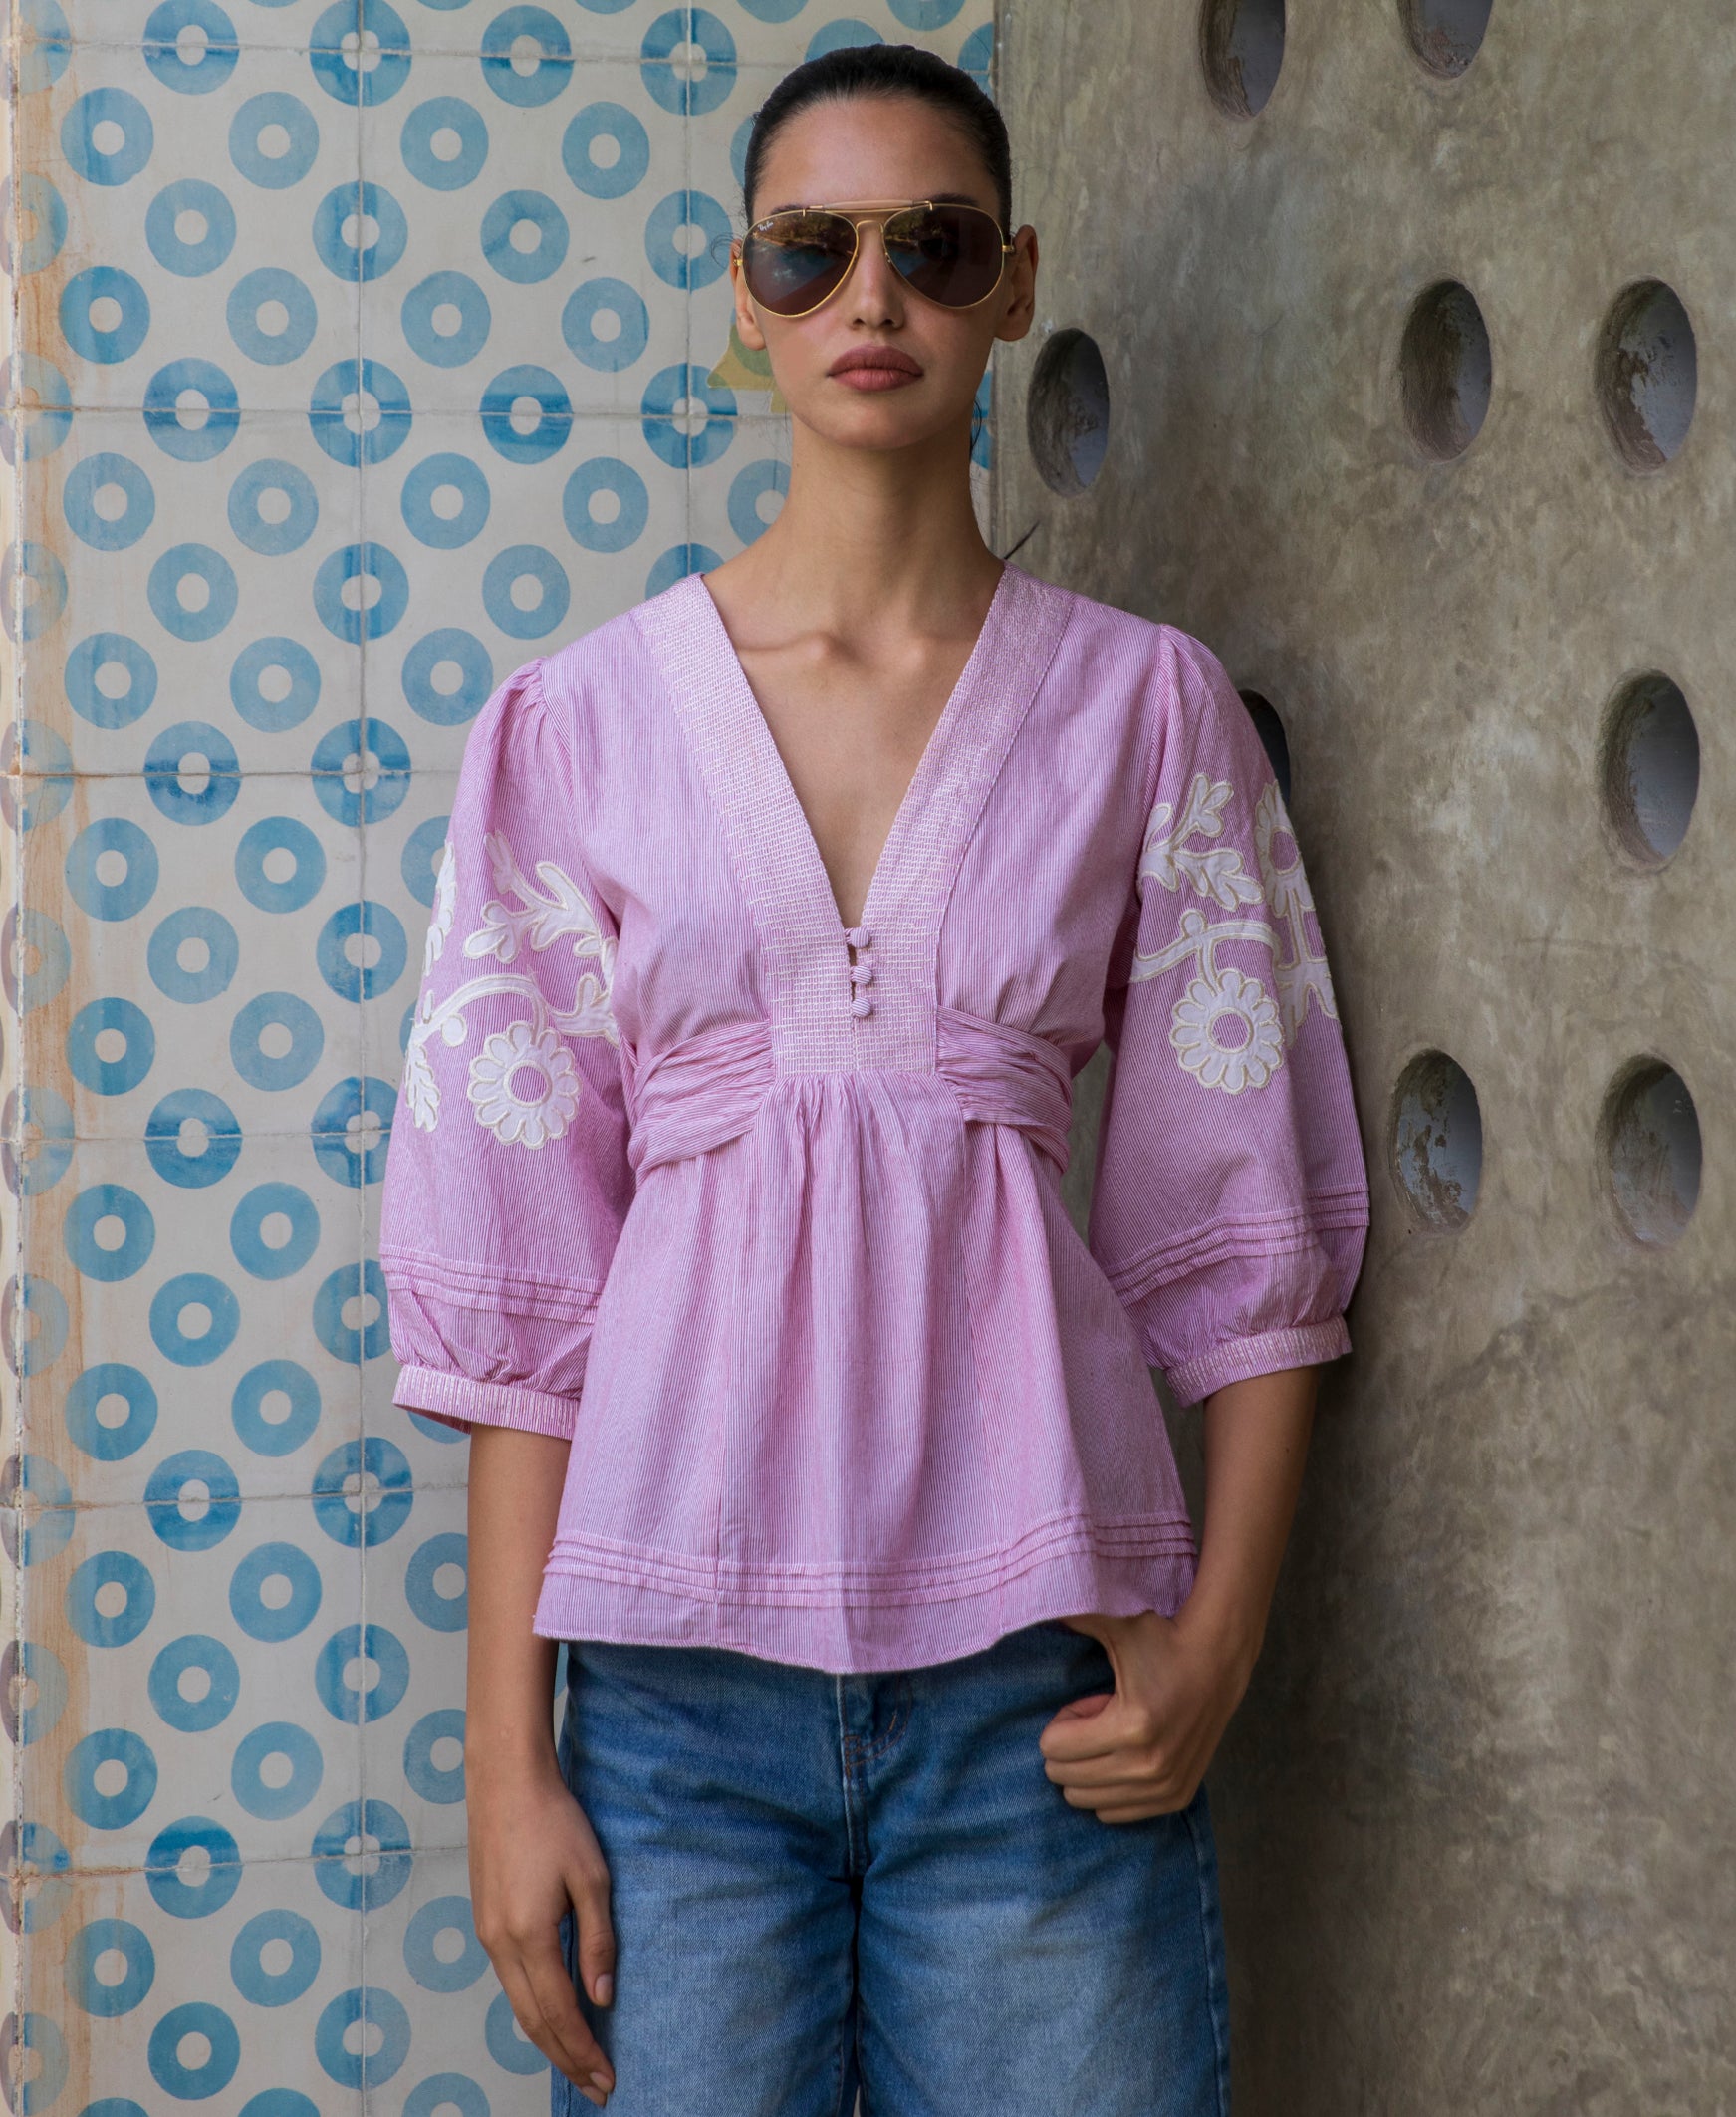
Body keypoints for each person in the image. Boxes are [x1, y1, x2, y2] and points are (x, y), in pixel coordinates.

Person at [379, 41, 1369, 2117]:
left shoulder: (1143, 709)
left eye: (928, 246)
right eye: (807, 250)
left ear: (1009, 283)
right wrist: (508, 1762)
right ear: (741, 296)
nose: (869, 299)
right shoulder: (573, 732)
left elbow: (1246, 1227)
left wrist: (1219, 1649)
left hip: (1043, 1699)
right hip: (671, 1718)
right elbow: (517, 1299)